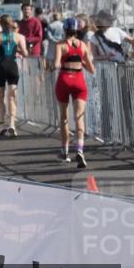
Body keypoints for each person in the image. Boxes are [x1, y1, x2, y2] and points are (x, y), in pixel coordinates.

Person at [54, 17, 95, 167]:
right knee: (79, 117)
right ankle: (79, 150)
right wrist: (80, 61)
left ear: (64, 29)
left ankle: (64, 152)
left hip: (64, 79)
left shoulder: (60, 45)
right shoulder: (83, 45)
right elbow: (92, 69)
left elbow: (56, 64)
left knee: (64, 116)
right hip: (79, 80)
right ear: (77, 30)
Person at [0, 14, 29, 137]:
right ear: (12, 24)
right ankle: (12, 124)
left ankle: (2, 125)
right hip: (12, 66)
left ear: (0, 23)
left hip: (0, 66)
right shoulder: (19, 37)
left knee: (0, 97)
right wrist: (16, 50)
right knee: (12, 97)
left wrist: (1, 49)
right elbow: (26, 53)